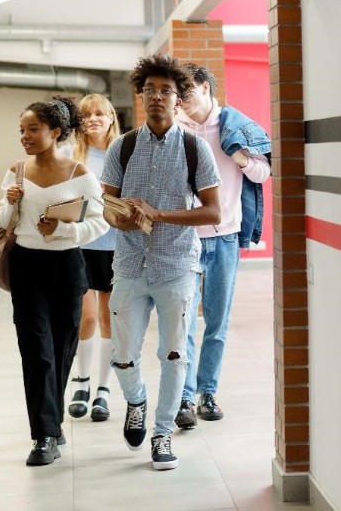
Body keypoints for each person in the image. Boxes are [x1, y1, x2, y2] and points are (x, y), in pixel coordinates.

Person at [102, 54, 221, 471]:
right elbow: (107, 208)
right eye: (150, 89)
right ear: (141, 95)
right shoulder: (123, 146)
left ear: (178, 99)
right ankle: (136, 400)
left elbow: (213, 213)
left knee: (174, 355)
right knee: (121, 354)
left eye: (165, 91)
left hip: (176, 266)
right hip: (130, 265)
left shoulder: (195, 148)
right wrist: (126, 220)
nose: (156, 96)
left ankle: (163, 432)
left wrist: (159, 214)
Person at [0, 96, 110, 466]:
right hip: (27, 267)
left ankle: (52, 422)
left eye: (33, 129)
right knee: (36, 351)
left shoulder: (79, 174)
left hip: (67, 267)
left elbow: (101, 222)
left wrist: (63, 229)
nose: (25, 136)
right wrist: (10, 202)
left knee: (61, 349)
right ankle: (44, 435)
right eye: (22, 130)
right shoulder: (17, 170)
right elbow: (1, 218)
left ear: (56, 132)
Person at [172, 63, 271, 429]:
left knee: (217, 321)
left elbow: (263, 173)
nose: (179, 99)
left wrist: (238, 155)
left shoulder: (233, 126)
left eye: (184, 91)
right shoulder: (174, 130)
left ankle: (206, 392)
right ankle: (183, 397)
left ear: (203, 87)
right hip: (184, 238)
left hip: (226, 236)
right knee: (183, 321)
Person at [66, 94, 122, 423]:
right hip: (82, 246)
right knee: (85, 318)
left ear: (111, 117)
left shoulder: (123, 153)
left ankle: (104, 389)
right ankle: (82, 382)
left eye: (100, 113)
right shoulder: (70, 155)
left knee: (109, 319)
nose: (94, 119)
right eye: (87, 115)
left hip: (116, 247)